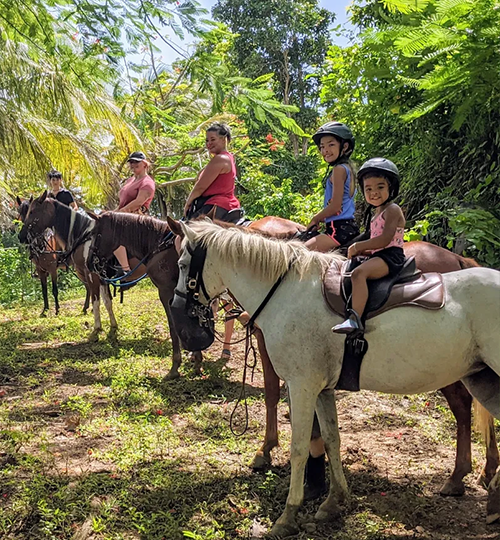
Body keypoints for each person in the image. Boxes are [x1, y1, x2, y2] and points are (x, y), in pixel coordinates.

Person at [332, 157, 405, 334]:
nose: (374, 193)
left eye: (380, 187)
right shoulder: (376, 213)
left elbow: (384, 239)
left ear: (391, 188)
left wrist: (358, 247)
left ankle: (355, 318)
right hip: (379, 254)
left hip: (390, 255)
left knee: (359, 274)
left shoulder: (393, 209)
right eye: (368, 189)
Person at [305, 122, 359, 252]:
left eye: (331, 145)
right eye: (322, 147)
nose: (325, 151)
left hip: (337, 230)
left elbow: (335, 207)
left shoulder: (339, 170)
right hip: (346, 227)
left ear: (344, 146)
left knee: (299, 252)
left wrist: (315, 219)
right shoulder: (348, 168)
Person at [183, 123, 240, 220]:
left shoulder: (220, 159)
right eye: (207, 141)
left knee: (189, 231)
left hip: (216, 204)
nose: (209, 143)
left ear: (223, 139)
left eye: (213, 139)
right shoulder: (229, 158)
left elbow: (200, 187)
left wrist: (188, 204)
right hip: (226, 204)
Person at [113, 151, 156, 277]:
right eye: (131, 162)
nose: (133, 164)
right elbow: (122, 202)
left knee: (115, 236)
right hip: (123, 215)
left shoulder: (147, 182)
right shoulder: (130, 180)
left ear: (144, 164)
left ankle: (126, 270)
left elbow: (139, 202)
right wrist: (112, 213)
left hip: (135, 216)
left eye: (137, 162)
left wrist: (120, 213)